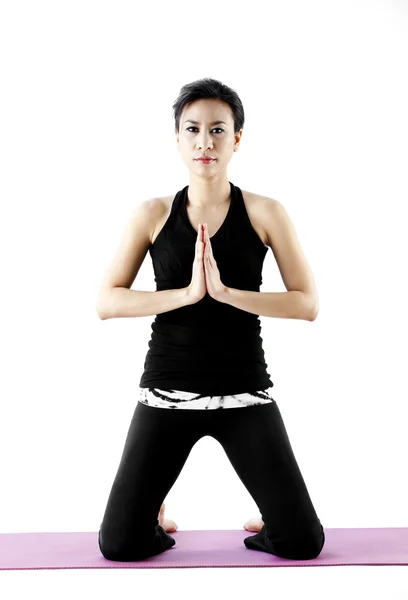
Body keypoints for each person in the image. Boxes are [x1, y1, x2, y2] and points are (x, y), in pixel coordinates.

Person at [96, 77, 325, 562]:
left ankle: (269, 521)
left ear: (237, 139)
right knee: (120, 545)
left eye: (218, 130)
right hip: (167, 393)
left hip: (243, 391)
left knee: (301, 542)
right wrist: (185, 294)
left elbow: (306, 303)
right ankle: (154, 517)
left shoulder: (266, 211)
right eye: (193, 130)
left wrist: (225, 293)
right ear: (177, 139)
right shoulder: (152, 213)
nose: (205, 142)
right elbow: (107, 301)